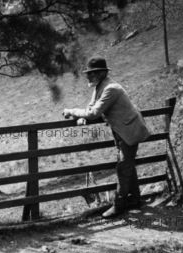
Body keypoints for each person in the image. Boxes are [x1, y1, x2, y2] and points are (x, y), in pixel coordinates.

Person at [63, 56, 150, 218]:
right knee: (127, 166)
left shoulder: (111, 88)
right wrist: (83, 117)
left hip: (130, 131)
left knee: (123, 167)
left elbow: (95, 112)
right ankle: (136, 200)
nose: (88, 76)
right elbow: (92, 108)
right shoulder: (100, 86)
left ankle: (118, 206)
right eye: (88, 73)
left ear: (101, 73)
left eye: (91, 73)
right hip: (121, 132)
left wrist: (72, 111)